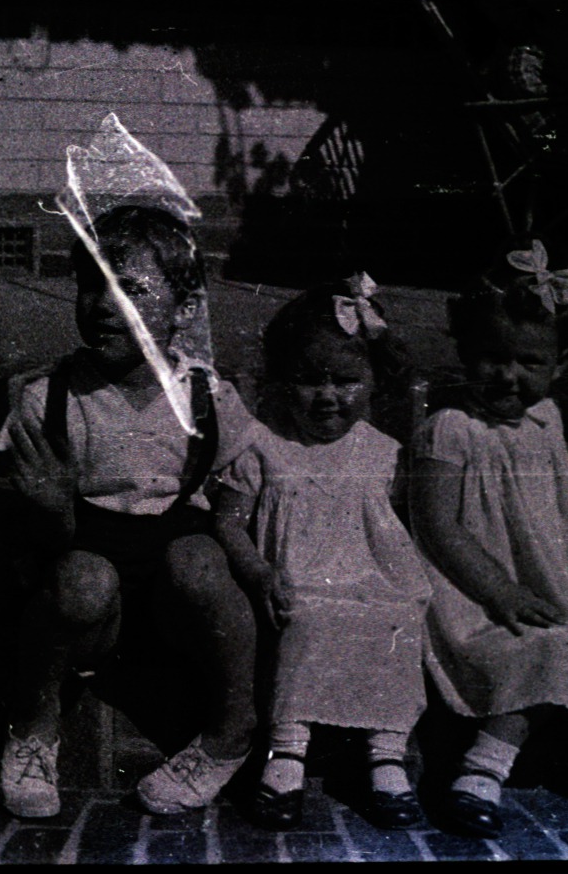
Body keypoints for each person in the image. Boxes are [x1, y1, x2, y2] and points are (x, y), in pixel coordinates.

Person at [0, 203, 258, 819]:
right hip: (90, 593)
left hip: (171, 593)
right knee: (81, 580)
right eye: (92, 286)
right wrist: (52, 507)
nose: (105, 306)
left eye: (132, 289)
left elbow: (249, 474)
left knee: (199, 560)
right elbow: (40, 547)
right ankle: (33, 726)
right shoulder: (50, 401)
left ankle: (231, 729)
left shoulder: (207, 399)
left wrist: (237, 540)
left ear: (185, 310)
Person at [411, 241, 568, 839]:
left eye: (529, 362)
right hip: (477, 591)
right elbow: (438, 526)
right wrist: (500, 589)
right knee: (547, 646)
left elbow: (556, 507)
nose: (510, 376)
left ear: (558, 363)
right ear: (465, 350)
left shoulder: (548, 421)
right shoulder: (450, 429)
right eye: (492, 358)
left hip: (553, 575)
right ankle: (484, 766)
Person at [213, 276, 431, 831]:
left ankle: (386, 752)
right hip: (296, 579)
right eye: (309, 380)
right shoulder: (264, 445)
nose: (328, 395)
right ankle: (286, 750)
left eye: (346, 380)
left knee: (399, 617)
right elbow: (227, 521)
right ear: (283, 383)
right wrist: (259, 571)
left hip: (373, 576)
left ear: (375, 382)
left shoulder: (383, 453)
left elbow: (406, 526)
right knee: (305, 620)